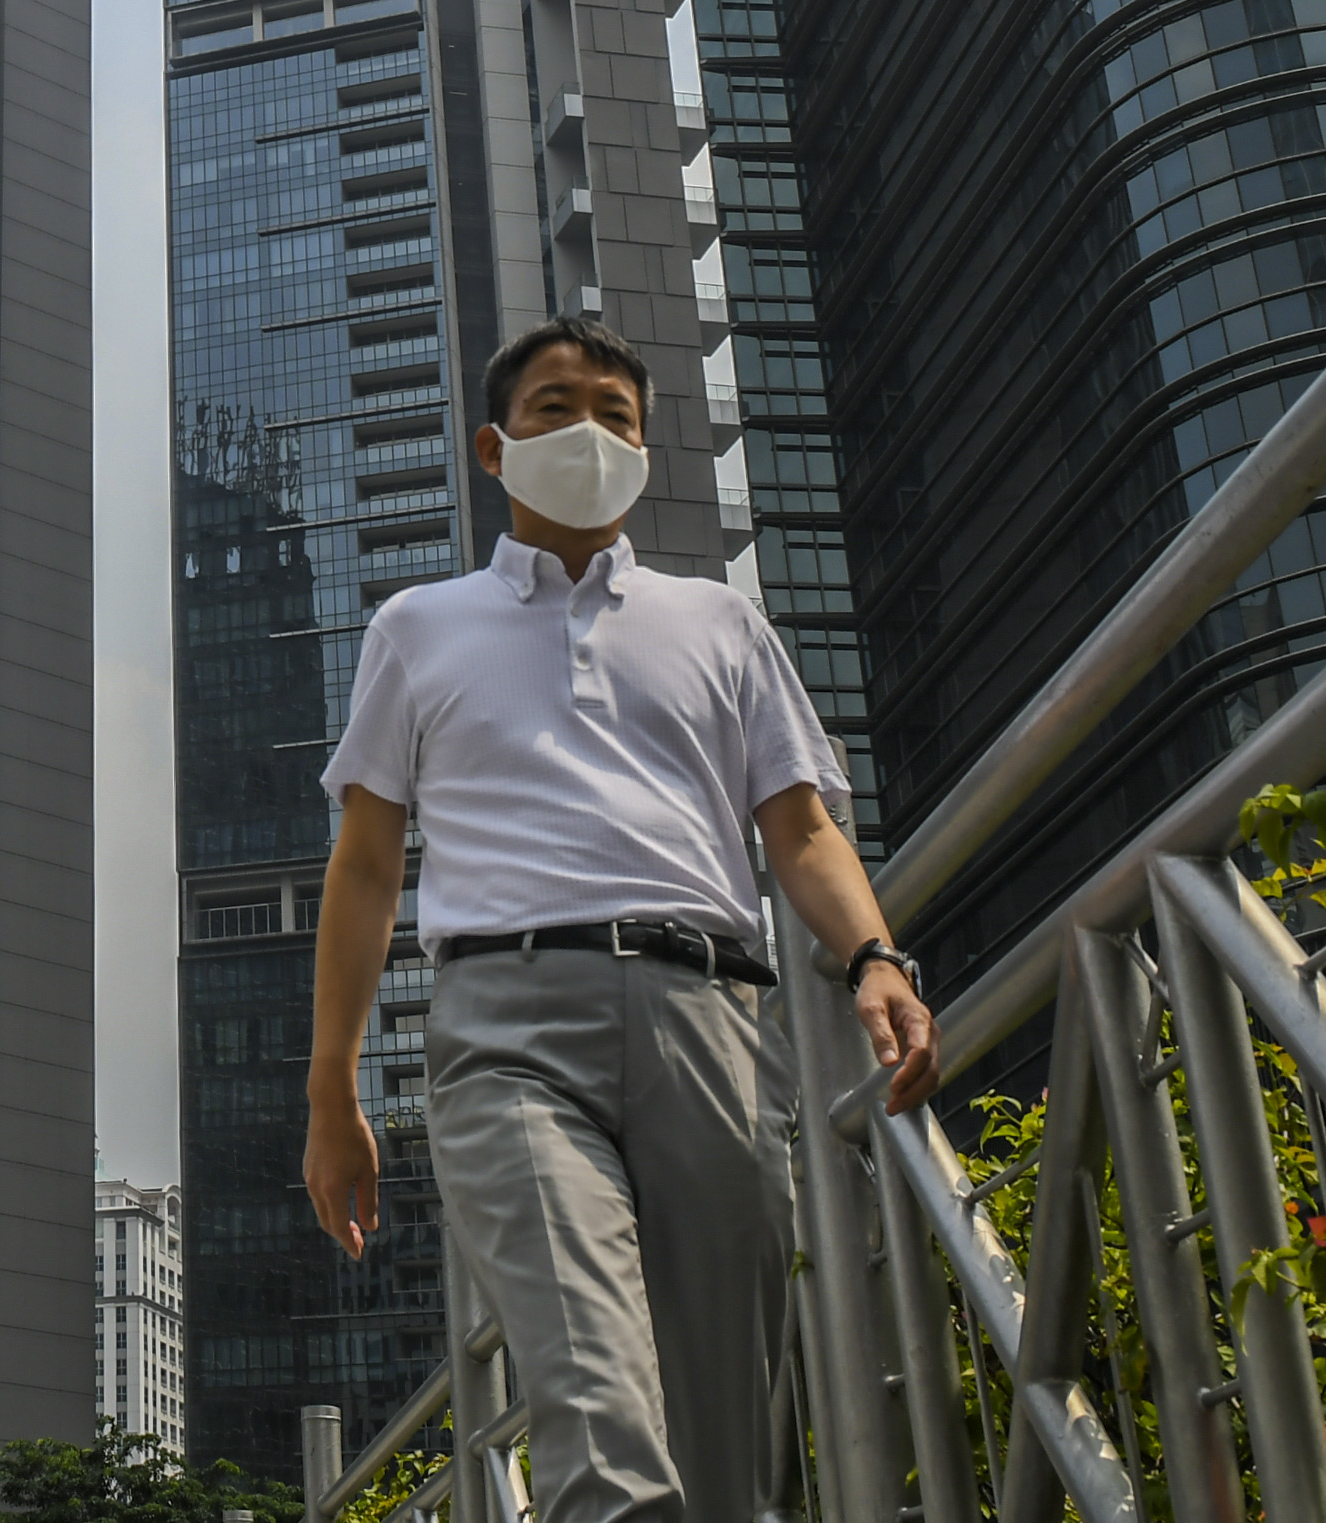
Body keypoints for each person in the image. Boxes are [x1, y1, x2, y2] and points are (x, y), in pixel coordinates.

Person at [302, 311, 936, 1523]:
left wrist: (873, 955)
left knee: (725, 1442)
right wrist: (332, 1098)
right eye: (553, 408)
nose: (586, 432)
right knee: (594, 1409)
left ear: (646, 450)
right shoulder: (418, 628)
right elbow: (367, 868)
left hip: (710, 1016)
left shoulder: (718, 621)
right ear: (493, 448)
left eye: (615, 414)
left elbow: (798, 831)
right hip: (505, 1032)